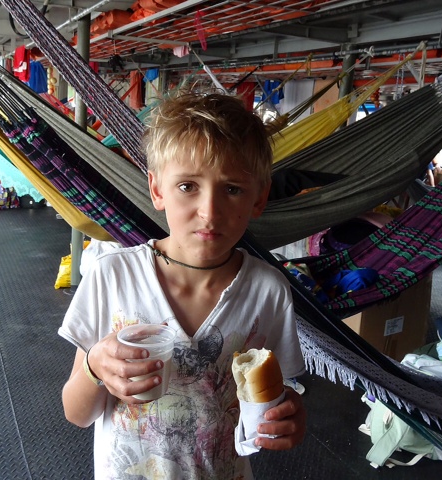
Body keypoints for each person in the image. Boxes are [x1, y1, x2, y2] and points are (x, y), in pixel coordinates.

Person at [59, 92, 307, 479]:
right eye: (188, 186)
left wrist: (290, 416)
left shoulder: (268, 291)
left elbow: (276, 394)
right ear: (157, 189)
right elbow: (76, 413)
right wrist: (94, 368)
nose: (209, 211)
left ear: (259, 199)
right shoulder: (113, 277)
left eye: (232, 189)